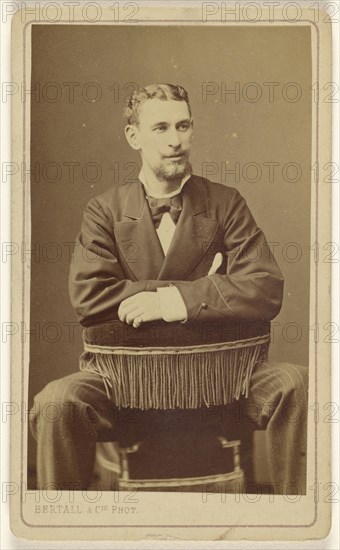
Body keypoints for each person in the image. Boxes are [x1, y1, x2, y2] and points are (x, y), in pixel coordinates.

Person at [30, 83, 308, 493]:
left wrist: (170, 300)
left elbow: (265, 287)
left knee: (298, 385)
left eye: (183, 126)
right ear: (133, 137)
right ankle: (59, 530)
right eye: (160, 128)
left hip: (225, 385)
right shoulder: (104, 211)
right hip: (123, 388)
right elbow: (89, 296)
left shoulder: (226, 203)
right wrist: (211, 289)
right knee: (55, 404)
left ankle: (300, 523)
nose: (175, 141)